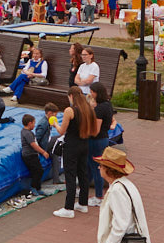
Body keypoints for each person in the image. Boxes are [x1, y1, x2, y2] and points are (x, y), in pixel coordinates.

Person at [52, 86, 98, 219]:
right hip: (84, 144)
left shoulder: (70, 110)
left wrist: (55, 124)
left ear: (71, 96)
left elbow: (62, 131)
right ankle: (83, 203)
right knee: (83, 174)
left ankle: (68, 208)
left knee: (70, 175)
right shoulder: (88, 109)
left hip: (71, 146)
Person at [87, 83, 117, 206]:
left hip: (96, 140)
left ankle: (99, 196)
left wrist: (84, 133)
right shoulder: (107, 105)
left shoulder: (99, 109)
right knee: (90, 166)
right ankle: (84, 189)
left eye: (92, 92)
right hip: (103, 138)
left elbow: (95, 130)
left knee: (96, 168)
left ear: (97, 93)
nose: (91, 94)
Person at [20, 114, 49, 196]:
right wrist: (43, 152)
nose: (34, 125)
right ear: (29, 123)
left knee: (37, 171)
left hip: (32, 154)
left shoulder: (27, 132)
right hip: (29, 155)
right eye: (33, 123)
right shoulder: (27, 133)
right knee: (38, 170)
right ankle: (34, 187)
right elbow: (33, 144)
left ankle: (37, 187)